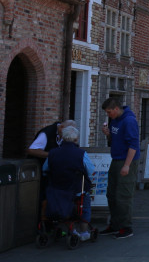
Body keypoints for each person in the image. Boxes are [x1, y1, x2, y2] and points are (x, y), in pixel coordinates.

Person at [42, 124, 95, 240]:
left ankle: (67, 227)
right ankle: (84, 231)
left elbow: (45, 169)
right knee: (84, 205)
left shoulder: (52, 153)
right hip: (76, 189)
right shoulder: (81, 154)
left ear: (62, 138)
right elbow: (91, 171)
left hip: (56, 189)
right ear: (76, 139)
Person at [100, 97, 139, 239]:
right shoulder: (115, 120)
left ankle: (126, 227)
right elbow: (116, 139)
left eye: (109, 112)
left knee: (123, 195)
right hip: (115, 159)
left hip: (126, 161)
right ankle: (115, 224)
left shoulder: (129, 121)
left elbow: (133, 145)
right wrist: (108, 135)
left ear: (116, 109)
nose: (108, 115)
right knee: (111, 194)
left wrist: (127, 165)